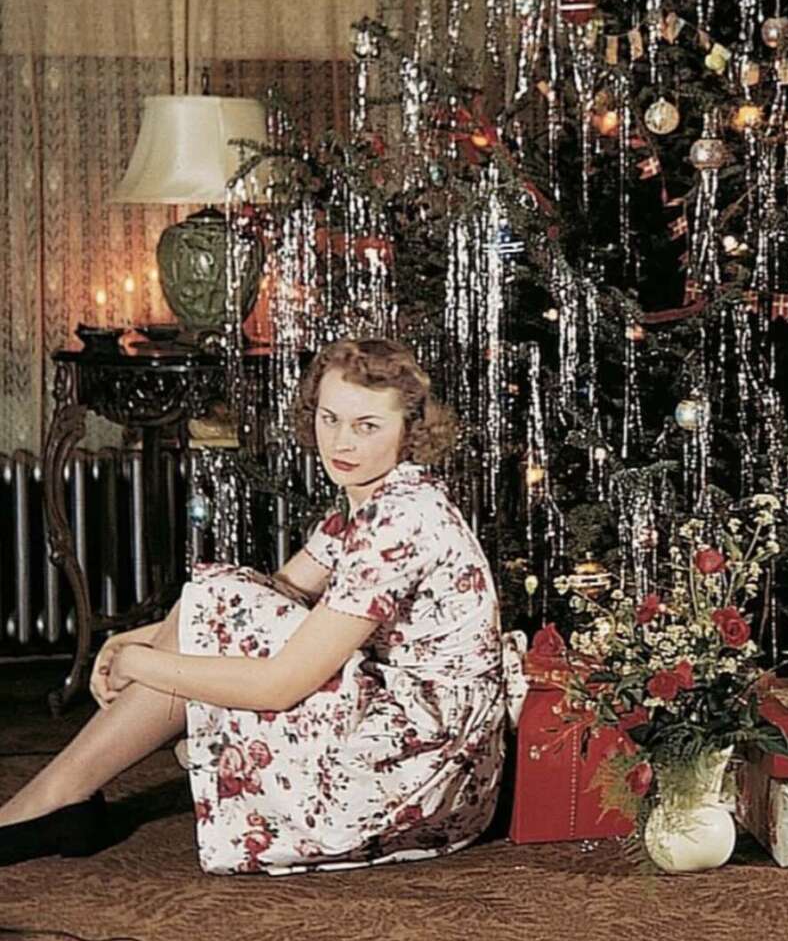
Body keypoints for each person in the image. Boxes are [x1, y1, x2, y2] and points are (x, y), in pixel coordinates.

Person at [0, 337, 506, 873]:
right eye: (330, 419)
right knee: (220, 596)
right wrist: (135, 637)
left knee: (218, 601)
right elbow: (277, 592)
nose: (342, 442)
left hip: (418, 771)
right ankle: (62, 797)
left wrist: (140, 662)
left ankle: (57, 800)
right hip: (425, 752)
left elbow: (280, 683)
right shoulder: (371, 502)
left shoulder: (400, 518)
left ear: (410, 430)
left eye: (367, 426)